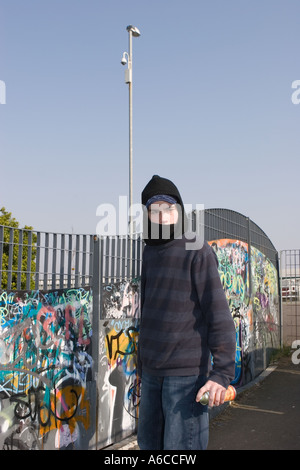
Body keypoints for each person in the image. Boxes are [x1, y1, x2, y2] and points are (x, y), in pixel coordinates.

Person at [137, 175, 236, 450]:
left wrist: (222, 374)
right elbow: (147, 313)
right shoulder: (149, 252)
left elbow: (219, 315)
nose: (162, 215)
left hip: (186, 377)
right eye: (154, 209)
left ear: (178, 212)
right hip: (152, 373)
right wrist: (141, 367)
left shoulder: (197, 249)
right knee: (148, 445)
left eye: (168, 208)